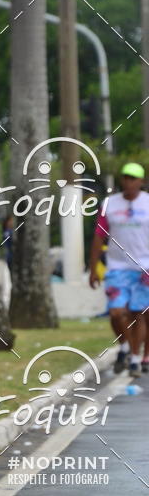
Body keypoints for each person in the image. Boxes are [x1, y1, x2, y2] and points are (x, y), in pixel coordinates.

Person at [89, 162, 149, 378]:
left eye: (133, 178)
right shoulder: (109, 204)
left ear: (141, 181)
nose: (128, 181)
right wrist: (93, 267)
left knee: (139, 314)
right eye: (125, 177)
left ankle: (134, 359)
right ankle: (124, 346)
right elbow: (98, 236)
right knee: (116, 312)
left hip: (144, 267)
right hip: (117, 266)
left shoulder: (148, 203)